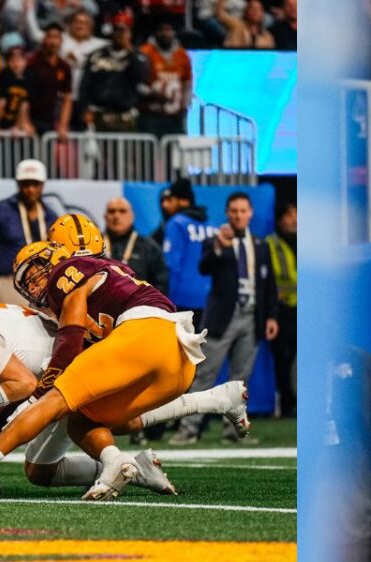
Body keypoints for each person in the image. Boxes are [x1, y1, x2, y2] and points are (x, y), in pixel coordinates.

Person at [0, 237, 241, 501]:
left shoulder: (67, 272)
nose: (36, 286)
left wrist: (53, 377)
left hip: (145, 331)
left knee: (52, 402)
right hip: (177, 360)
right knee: (91, 418)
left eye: (36, 273)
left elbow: (71, 332)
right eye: (29, 284)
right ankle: (213, 401)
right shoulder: (107, 275)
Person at [171, 192, 278, 445]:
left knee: (241, 379)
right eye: (234, 211)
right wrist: (219, 246)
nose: (238, 215)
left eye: (243, 211)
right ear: (228, 213)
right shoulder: (216, 240)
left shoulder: (261, 245)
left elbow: (269, 284)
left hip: (252, 316)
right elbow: (204, 267)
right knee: (205, 374)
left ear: (250, 213)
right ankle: (188, 430)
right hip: (222, 317)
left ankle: (233, 433)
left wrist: (271, 316)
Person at [0, 159, 58, 305]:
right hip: (8, 283)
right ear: (18, 184)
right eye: (26, 184)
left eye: (35, 184)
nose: (30, 189)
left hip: (42, 283)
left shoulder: (50, 216)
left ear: (42, 185)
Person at [77, 18, 150, 133]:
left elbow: (143, 76)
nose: (119, 35)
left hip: (125, 116)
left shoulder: (138, 56)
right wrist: (84, 109)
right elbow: (84, 85)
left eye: (123, 31)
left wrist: (129, 50)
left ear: (130, 33)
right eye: (117, 30)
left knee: (127, 151)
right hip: (99, 114)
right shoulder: (97, 55)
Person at [160, 178, 215, 323]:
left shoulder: (176, 223)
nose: (165, 205)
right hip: (209, 299)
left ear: (183, 201)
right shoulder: (212, 226)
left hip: (181, 299)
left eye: (170, 200)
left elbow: (171, 263)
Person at [266, 203, 296, 418]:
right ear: (279, 219)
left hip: (304, 308)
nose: (294, 219)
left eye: (296, 215)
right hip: (282, 309)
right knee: (282, 361)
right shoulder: (270, 244)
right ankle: (286, 406)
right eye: (289, 214)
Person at [138, 20, 191, 138]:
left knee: (173, 154)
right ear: (156, 32)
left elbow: (187, 82)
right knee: (149, 154)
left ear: (173, 32)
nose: (165, 34)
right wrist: (153, 94)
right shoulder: (144, 52)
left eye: (168, 30)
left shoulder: (182, 55)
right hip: (150, 115)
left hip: (175, 116)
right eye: (161, 30)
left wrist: (184, 106)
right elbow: (136, 83)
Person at [103, 197, 168, 291]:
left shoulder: (149, 247)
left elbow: (161, 284)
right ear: (105, 216)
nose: (116, 216)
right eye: (112, 211)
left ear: (132, 216)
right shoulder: (94, 245)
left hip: (137, 304)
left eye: (122, 211)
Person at [24, 22, 73, 138]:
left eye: (56, 38)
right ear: (44, 39)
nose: (53, 42)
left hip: (50, 121)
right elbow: (23, 96)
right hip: (30, 120)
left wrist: (63, 126)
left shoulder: (64, 67)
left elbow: (67, 98)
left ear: (61, 41)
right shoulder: (32, 63)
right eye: (50, 37)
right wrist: (25, 122)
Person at [0, 43, 33, 134]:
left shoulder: (29, 78)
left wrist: (18, 125)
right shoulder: (4, 76)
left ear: (25, 61)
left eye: (19, 60)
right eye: (13, 60)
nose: (16, 64)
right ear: (8, 62)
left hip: (14, 121)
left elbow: (24, 106)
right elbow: (1, 102)